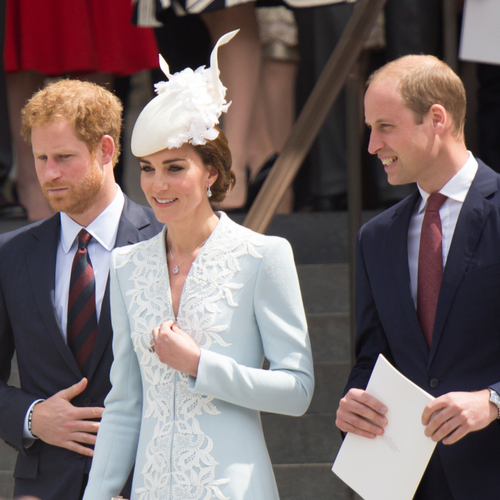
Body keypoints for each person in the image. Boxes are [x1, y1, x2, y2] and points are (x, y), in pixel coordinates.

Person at [82, 31, 314, 500]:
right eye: (147, 168)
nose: (156, 185)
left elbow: (297, 390)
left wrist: (198, 364)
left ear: (210, 172)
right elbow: (125, 404)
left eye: (174, 167)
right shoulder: (127, 265)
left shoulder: (263, 256)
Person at [335, 54, 500, 499]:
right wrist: (355, 401)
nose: (371, 145)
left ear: (437, 119)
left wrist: (493, 401)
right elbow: (374, 357)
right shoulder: (376, 237)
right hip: (410, 482)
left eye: (385, 127)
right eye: (370, 128)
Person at [0, 79, 163, 500]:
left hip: (145, 480)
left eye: (64, 157)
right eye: (40, 158)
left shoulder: (164, 241)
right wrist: (32, 417)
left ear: (106, 150)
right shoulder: (10, 255)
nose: (48, 173)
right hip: (43, 486)